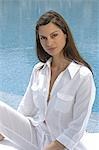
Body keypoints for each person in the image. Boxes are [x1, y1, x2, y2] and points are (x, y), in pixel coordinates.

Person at [0, 10, 96, 150]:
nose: (49, 42)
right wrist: (6, 130)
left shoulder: (82, 76)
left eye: (54, 35)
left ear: (65, 34)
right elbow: (25, 110)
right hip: (35, 136)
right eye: (43, 38)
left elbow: (77, 127)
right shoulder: (39, 70)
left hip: (63, 145)